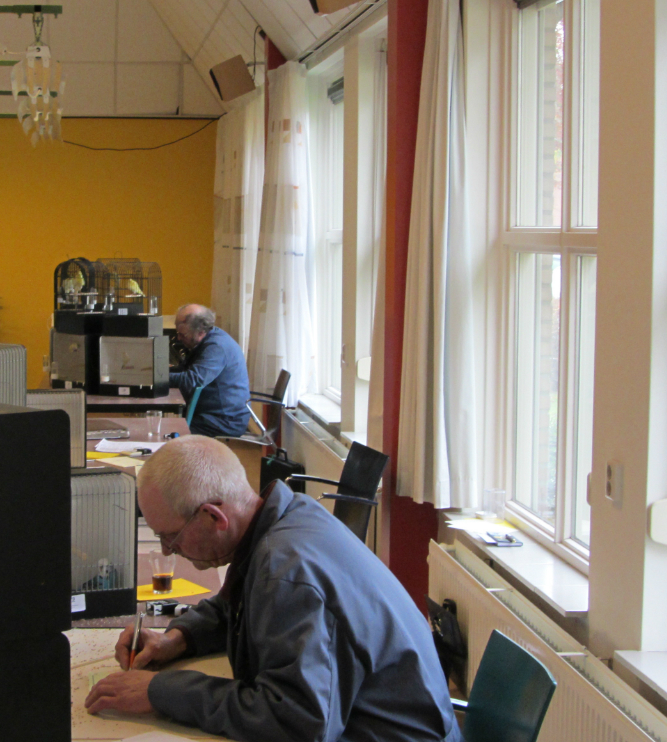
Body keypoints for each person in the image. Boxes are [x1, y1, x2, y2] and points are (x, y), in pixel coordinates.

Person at [84, 436, 462, 742]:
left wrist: (160, 692)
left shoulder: (286, 573)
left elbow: (295, 723)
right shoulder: (287, 515)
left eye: (170, 537)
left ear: (213, 516)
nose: (167, 550)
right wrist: (177, 639)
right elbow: (236, 603)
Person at [169, 304, 251, 438]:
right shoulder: (208, 339)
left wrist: (156, 378)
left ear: (200, 332)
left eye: (182, 334)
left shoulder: (216, 347)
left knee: (166, 432)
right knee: (166, 426)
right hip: (214, 413)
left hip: (224, 420)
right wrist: (160, 373)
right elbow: (186, 369)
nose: (178, 338)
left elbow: (192, 380)